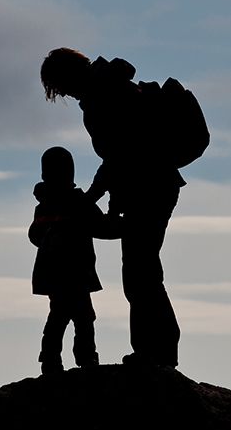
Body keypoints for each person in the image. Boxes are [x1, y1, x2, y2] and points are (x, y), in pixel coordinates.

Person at [40, 48, 188, 368]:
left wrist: (102, 200)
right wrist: (96, 198)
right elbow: (118, 157)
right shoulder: (110, 86)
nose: (64, 93)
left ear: (67, 77)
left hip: (150, 187)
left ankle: (156, 353)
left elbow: (123, 154)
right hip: (155, 185)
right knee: (141, 270)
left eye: (61, 87)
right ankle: (157, 351)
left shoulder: (103, 95)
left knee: (140, 272)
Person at [29, 146, 115, 376]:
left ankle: (51, 360)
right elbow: (102, 227)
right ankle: (85, 358)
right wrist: (128, 226)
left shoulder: (43, 205)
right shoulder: (78, 202)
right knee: (82, 316)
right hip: (75, 271)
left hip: (53, 273)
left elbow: (34, 236)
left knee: (60, 315)